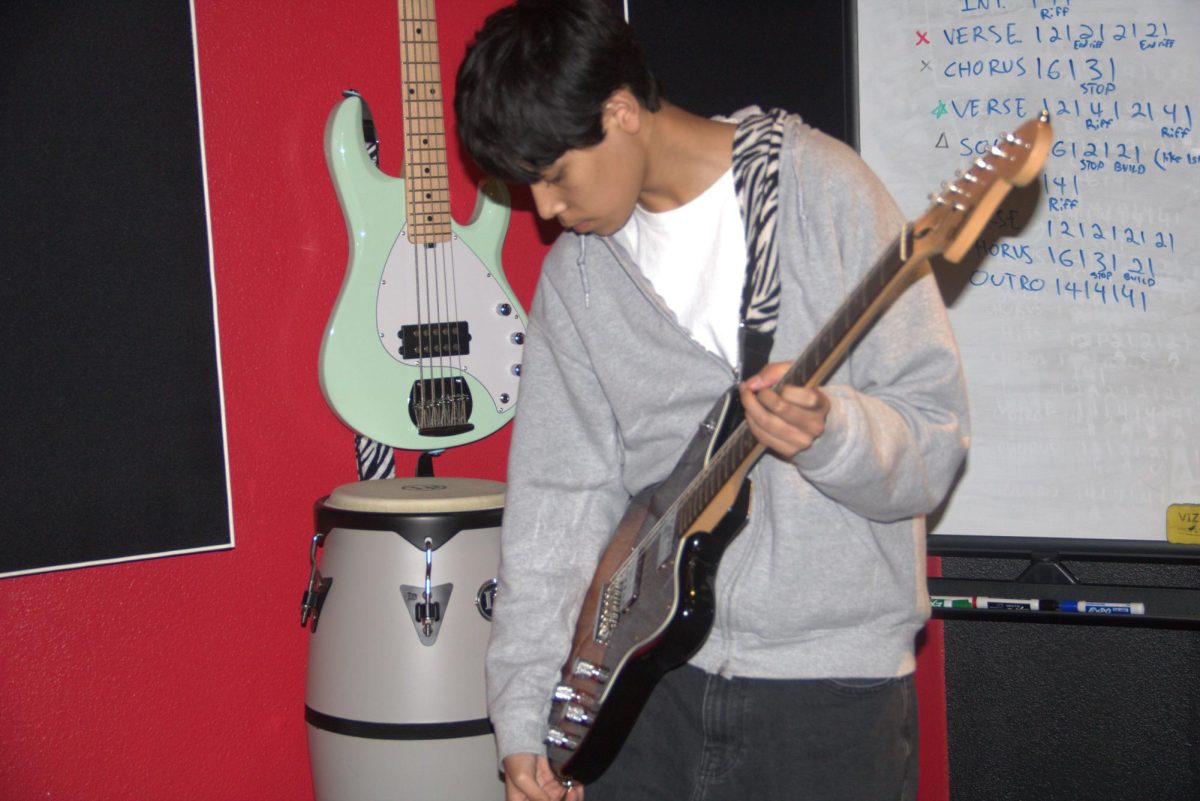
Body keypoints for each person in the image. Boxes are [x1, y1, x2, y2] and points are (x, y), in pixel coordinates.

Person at [454, 2, 969, 799]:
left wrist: (832, 433)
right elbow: (559, 502)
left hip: (828, 694)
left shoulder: (821, 191)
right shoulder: (580, 279)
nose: (547, 211)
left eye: (555, 175)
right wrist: (526, 705)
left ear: (620, 113)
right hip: (644, 696)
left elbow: (934, 441)